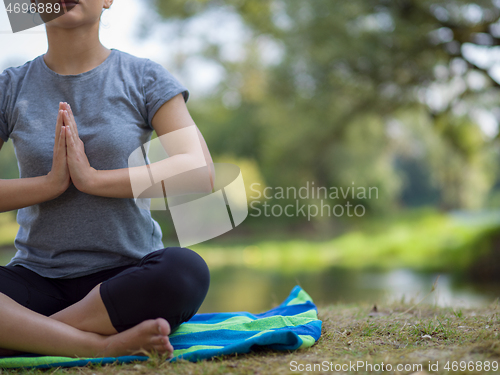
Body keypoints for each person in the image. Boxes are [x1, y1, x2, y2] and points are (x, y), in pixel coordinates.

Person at [0, 0, 213, 358]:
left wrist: (93, 179)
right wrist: (50, 184)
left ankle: (26, 332)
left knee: (186, 269)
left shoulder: (143, 77)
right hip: (36, 279)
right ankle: (97, 343)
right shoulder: (10, 87)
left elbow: (198, 171)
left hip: (127, 278)